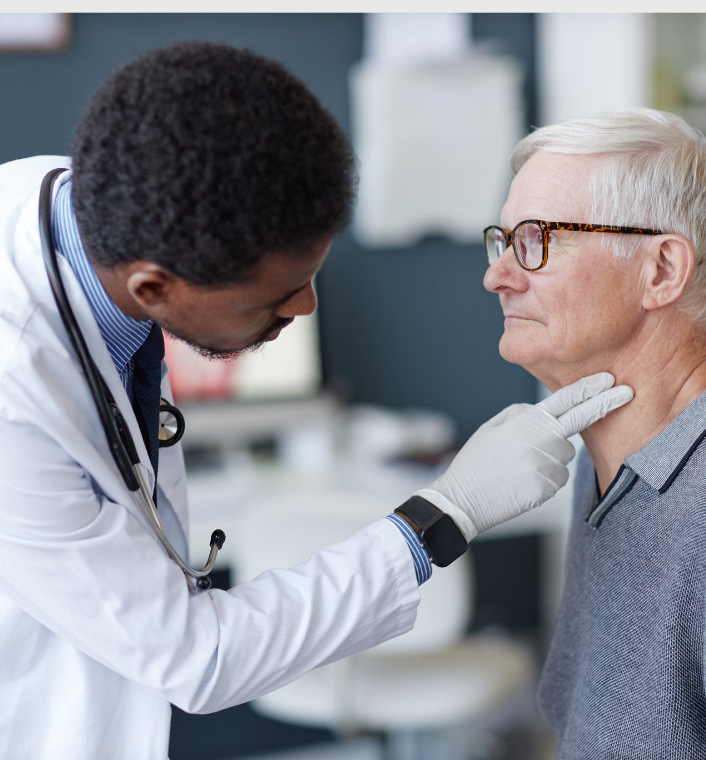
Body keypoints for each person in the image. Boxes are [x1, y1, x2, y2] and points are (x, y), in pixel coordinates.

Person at [0, 41, 631, 759]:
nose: (306, 306)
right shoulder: (13, 392)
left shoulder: (101, 205)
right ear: (154, 288)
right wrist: (447, 512)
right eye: (277, 294)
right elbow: (196, 656)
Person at [483, 107, 706, 759]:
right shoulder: (603, 463)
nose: (496, 275)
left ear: (662, 270)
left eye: (537, 240)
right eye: (503, 242)